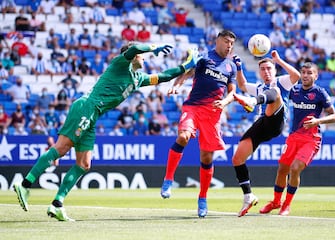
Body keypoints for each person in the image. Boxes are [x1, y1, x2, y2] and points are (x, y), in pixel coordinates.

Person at [13, 42, 200, 221]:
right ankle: (24, 184)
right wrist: (153, 47)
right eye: (142, 56)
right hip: (87, 107)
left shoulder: (137, 79)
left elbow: (164, 76)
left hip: (94, 115)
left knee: (84, 164)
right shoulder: (119, 64)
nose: (144, 58)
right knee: (62, 148)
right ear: (134, 56)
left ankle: (57, 203)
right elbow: (135, 47)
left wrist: (185, 66)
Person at [160, 30, 238, 218]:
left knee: (206, 158)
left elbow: (232, 91)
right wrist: (176, 86)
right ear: (218, 40)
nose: (229, 46)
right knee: (183, 136)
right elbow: (187, 73)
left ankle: (202, 198)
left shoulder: (231, 67)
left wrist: (226, 102)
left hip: (212, 114)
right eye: (226, 41)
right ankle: (168, 179)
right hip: (193, 108)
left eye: (232, 43)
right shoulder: (203, 57)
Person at [259, 62, 335, 216]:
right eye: (303, 72)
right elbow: (282, 89)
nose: (305, 75)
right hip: (294, 137)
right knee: (282, 169)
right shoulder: (294, 90)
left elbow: (334, 116)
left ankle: (286, 205)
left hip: (311, 139)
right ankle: (276, 202)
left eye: (309, 73)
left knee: (295, 169)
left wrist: (317, 121)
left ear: (316, 75)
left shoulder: (320, 93)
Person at [231, 50, 301, 217]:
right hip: (261, 124)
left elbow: (296, 76)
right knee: (237, 158)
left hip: (276, 122)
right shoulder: (259, 87)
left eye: (269, 68)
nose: (266, 72)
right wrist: (239, 67)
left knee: (275, 92)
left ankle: (252, 101)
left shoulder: (281, 82)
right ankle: (248, 195)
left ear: (275, 70)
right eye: (263, 69)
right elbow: (241, 85)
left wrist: (279, 60)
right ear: (259, 72)